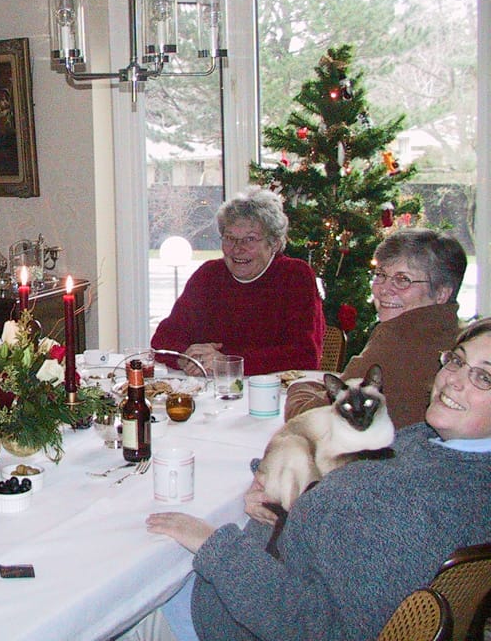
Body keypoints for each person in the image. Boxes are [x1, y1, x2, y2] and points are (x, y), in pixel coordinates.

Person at [145, 317, 491, 641]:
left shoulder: (423, 505)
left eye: (484, 377)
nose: (454, 379)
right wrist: (277, 485)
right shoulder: (436, 445)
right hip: (267, 562)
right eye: (457, 361)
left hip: (239, 619)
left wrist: (212, 545)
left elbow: (320, 628)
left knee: (127, 589)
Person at [285, 228, 465, 427]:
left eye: (403, 279)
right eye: (380, 275)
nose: (383, 289)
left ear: (441, 293)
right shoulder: (456, 335)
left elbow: (309, 420)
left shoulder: (398, 338)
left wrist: (299, 388)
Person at [151, 188, 325, 377]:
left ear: (274, 243)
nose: (237, 249)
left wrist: (227, 361)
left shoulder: (294, 276)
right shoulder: (209, 275)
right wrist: (185, 356)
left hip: (270, 392)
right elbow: (162, 339)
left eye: (250, 239)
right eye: (230, 238)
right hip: (211, 390)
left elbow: (305, 355)